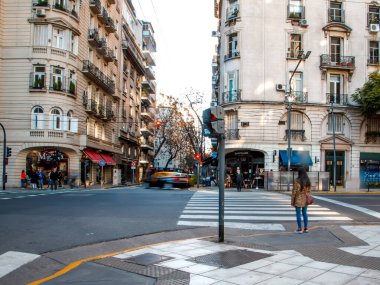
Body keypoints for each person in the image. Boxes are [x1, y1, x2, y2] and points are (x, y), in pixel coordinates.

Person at [291, 167, 311, 234]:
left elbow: (294, 192)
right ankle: (306, 228)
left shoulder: (297, 180)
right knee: (305, 213)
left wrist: (292, 201)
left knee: (298, 214)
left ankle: (299, 229)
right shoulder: (307, 180)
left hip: (298, 199)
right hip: (305, 199)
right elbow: (309, 191)